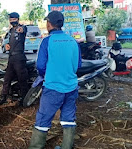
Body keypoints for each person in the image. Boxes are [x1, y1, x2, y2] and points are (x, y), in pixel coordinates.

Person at [28, 11, 82, 149]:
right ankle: (66, 146)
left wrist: (46, 75)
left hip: (53, 87)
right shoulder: (73, 41)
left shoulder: (47, 41)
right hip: (71, 87)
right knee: (69, 117)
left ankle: (36, 147)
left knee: (43, 118)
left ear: (49, 24)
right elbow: (78, 65)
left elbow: (40, 66)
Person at [0, 12, 29, 106]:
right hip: (11, 58)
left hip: (19, 58)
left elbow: (23, 29)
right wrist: (7, 46)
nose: (12, 21)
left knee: (22, 79)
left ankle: (24, 99)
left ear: (17, 19)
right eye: (10, 19)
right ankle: (3, 97)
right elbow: (10, 42)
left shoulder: (22, 28)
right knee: (7, 79)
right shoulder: (10, 31)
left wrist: (22, 29)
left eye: (13, 19)